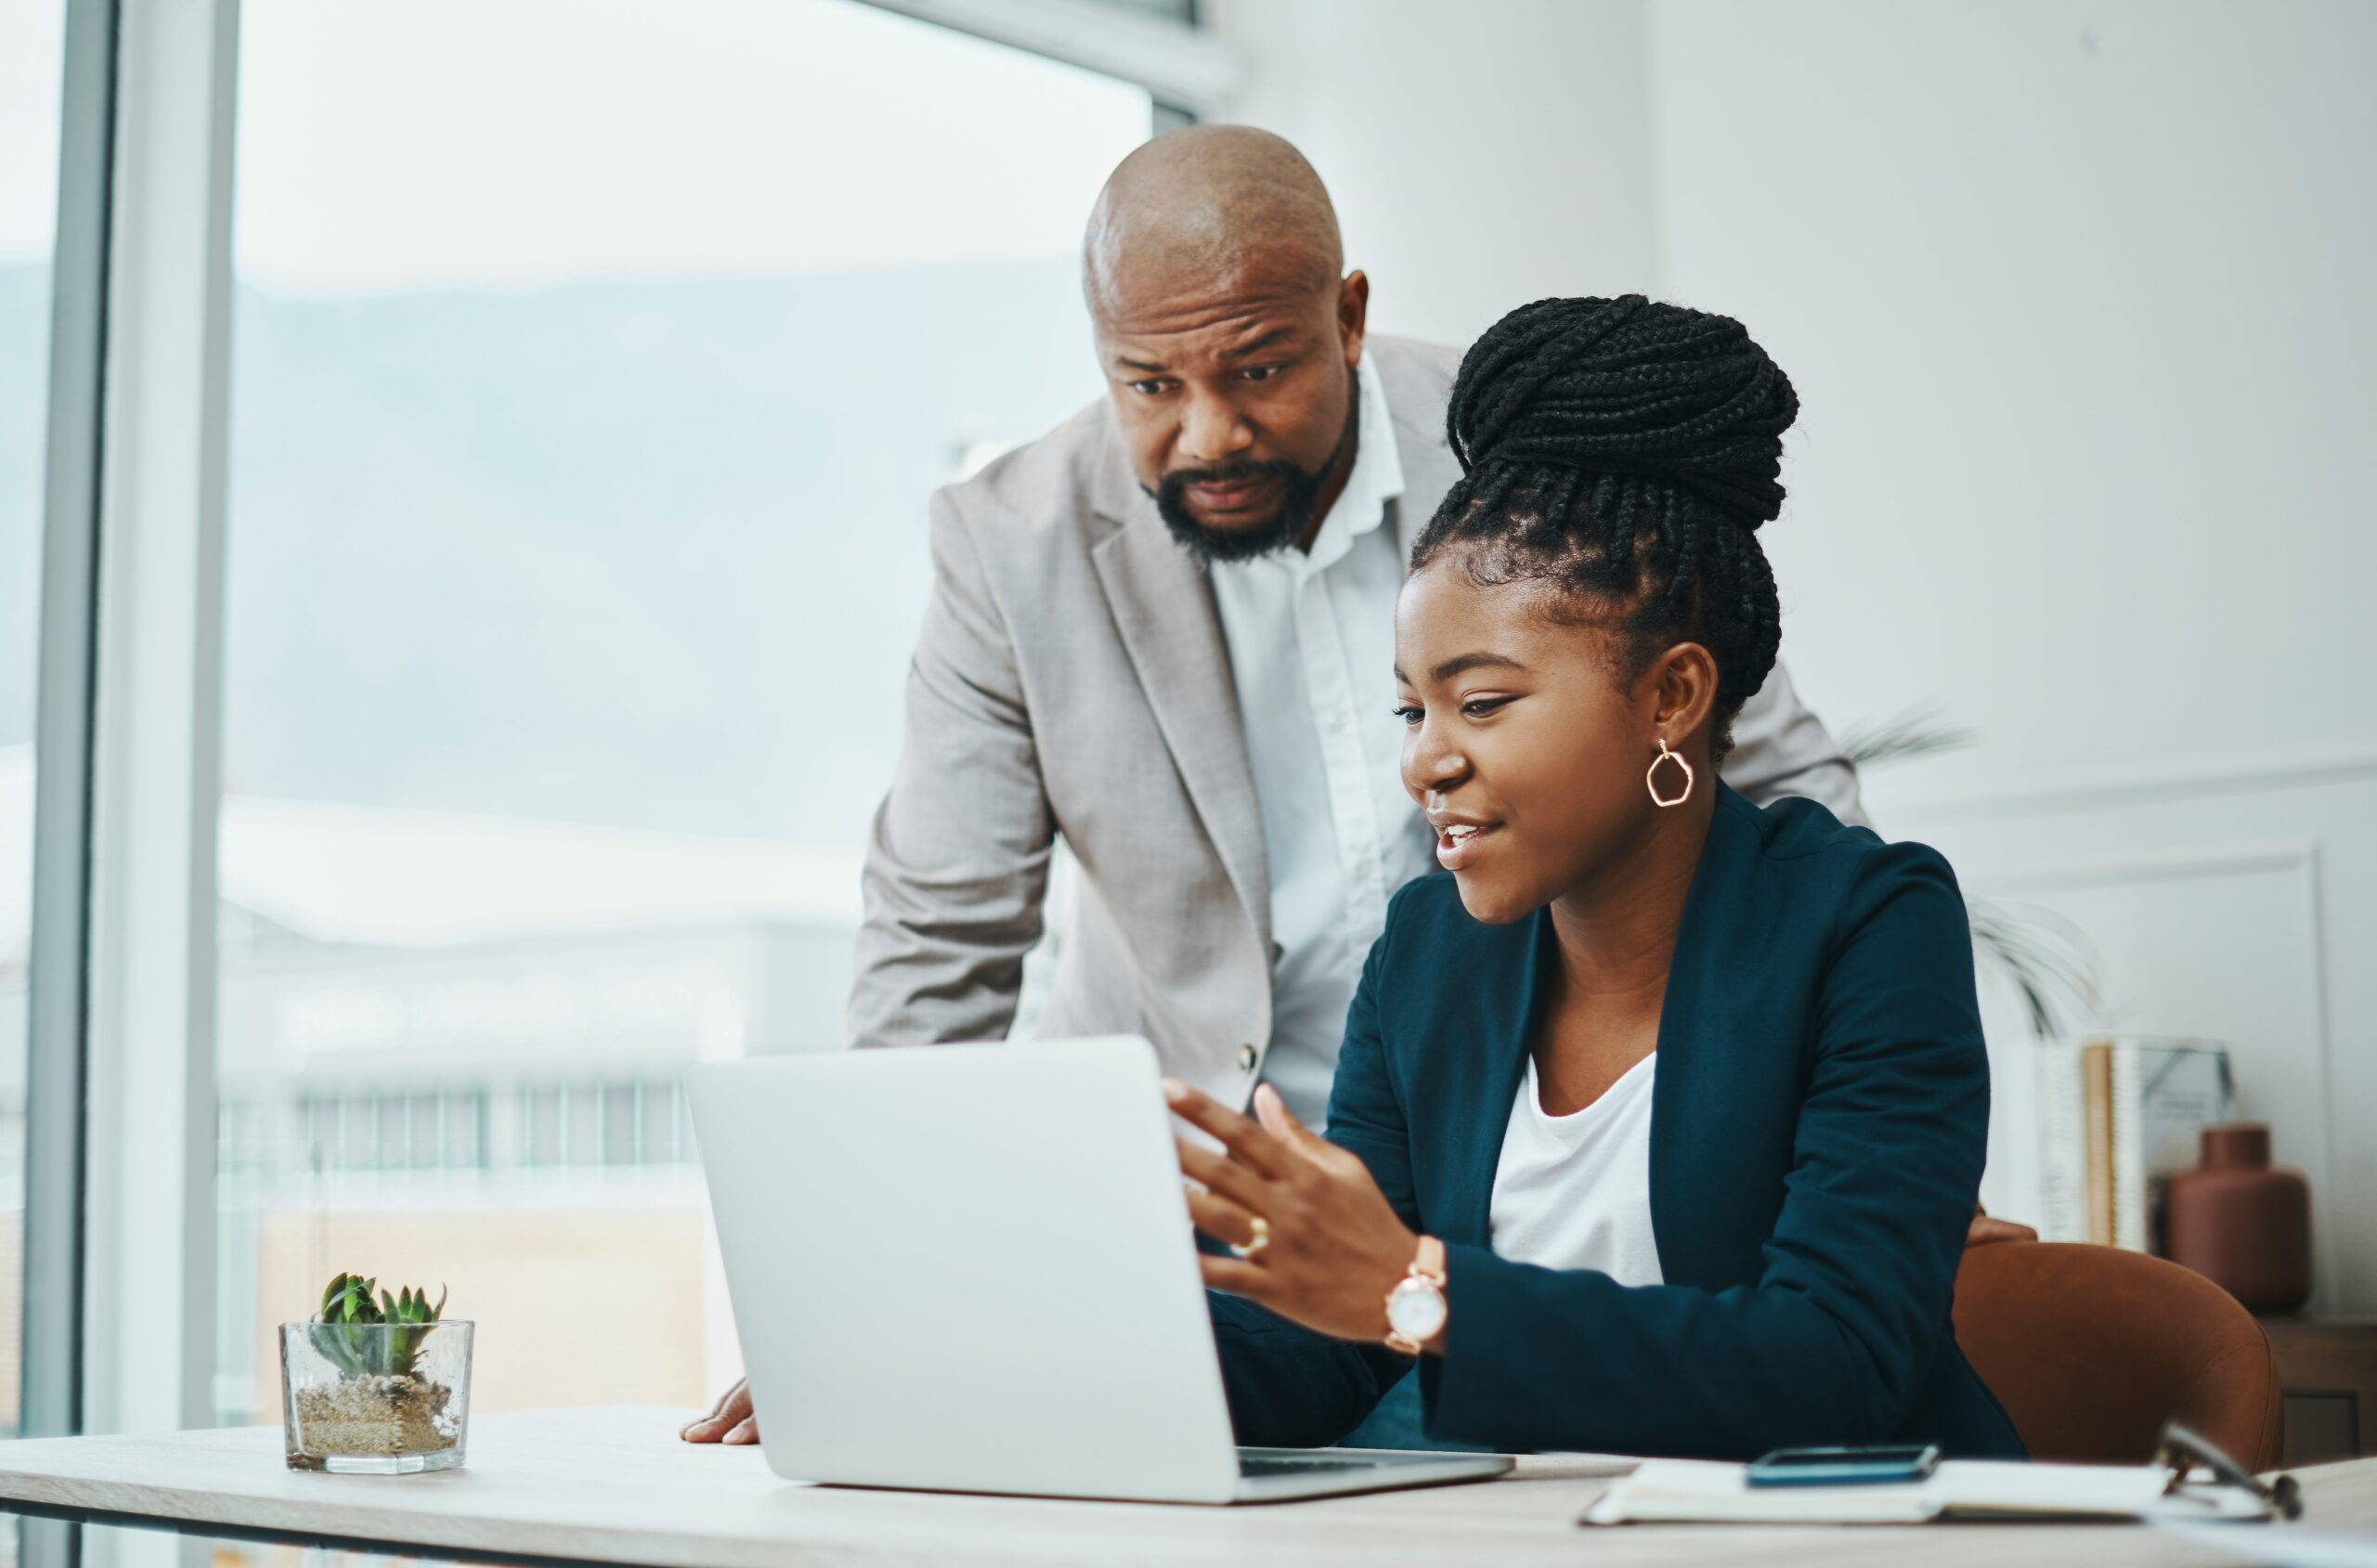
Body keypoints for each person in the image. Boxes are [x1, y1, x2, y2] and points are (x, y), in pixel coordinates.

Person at [684, 127, 1871, 1448]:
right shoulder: (1009, 544)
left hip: (1529, 1180)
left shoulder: (1522, 459)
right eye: (1149, 384)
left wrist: (1854, 1127)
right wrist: (871, 1311)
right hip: (1202, 1215)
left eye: (1258, 370)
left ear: (1348, 316)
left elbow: (1763, 766)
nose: (1210, 431)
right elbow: (937, 944)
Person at [1162, 294, 2026, 1458]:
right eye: (1410, 708)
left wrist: (1417, 1288)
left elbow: (1833, 1367)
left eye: (1480, 703)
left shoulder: (1866, 924)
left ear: (1670, 696)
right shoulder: (1426, 953)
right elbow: (1333, 1342)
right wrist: (1121, 1345)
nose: (1426, 758)